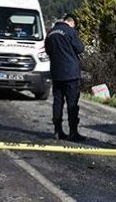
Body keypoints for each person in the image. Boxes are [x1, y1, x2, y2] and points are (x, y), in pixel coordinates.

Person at [44, 14, 86, 142]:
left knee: (58, 102)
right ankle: (73, 132)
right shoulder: (70, 31)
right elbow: (80, 48)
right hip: (71, 73)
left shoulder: (50, 33)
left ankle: (58, 130)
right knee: (72, 103)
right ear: (71, 22)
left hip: (56, 73)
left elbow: (47, 50)